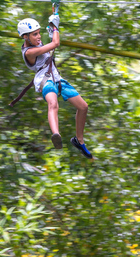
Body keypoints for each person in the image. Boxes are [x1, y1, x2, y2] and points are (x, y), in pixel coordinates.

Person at [17, 15, 92, 158]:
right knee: (53, 103)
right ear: (25, 37)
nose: (39, 36)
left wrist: (52, 30)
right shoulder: (29, 52)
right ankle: (56, 134)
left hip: (56, 78)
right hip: (44, 79)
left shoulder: (36, 44)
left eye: (39, 33)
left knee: (83, 107)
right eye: (35, 34)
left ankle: (79, 140)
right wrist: (55, 28)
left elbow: (51, 46)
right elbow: (56, 43)